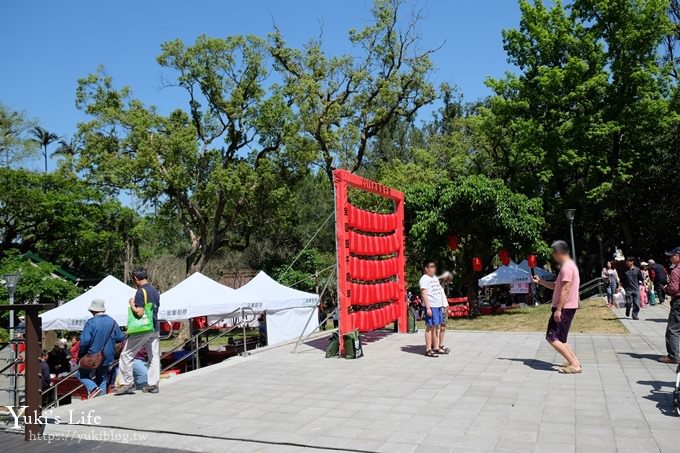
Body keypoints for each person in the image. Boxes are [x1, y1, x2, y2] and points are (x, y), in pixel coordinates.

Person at [533, 240, 582, 374]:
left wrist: (559, 309)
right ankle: (575, 362)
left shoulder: (566, 267)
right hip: (568, 306)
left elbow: (565, 289)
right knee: (560, 338)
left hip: (564, 307)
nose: (553, 257)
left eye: (554, 254)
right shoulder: (570, 266)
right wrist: (540, 282)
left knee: (552, 337)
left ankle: (574, 365)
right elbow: (557, 286)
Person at [115, 268, 161, 395]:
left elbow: (140, 312)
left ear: (136, 279)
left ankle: (126, 383)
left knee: (126, 354)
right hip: (154, 327)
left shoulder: (141, 292)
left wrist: (131, 304)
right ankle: (153, 384)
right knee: (153, 356)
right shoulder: (155, 291)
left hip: (142, 328)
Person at [77, 298, 125, 398]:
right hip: (108, 355)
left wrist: (81, 354)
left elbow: (85, 341)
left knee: (81, 374)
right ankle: (101, 401)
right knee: (102, 378)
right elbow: (120, 337)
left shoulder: (91, 322)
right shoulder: (112, 322)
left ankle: (93, 388)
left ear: (92, 310)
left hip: (92, 355)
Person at [659, 247, 680, 364]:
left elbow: (673, 289)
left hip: (678, 302)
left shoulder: (676, 270)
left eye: (673, 255)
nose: (670, 257)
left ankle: (673, 356)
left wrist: (666, 289)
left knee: (673, 330)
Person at [419, 259, 445, 357]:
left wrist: (442, 305)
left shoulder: (435, 278)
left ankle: (436, 347)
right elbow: (424, 293)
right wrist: (428, 308)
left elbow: (439, 291)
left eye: (434, 267)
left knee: (437, 326)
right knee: (430, 327)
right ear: (426, 268)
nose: (434, 269)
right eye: (431, 267)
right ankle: (428, 349)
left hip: (438, 305)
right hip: (431, 306)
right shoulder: (424, 278)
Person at [438, 271, 454, 354]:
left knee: (443, 326)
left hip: (444, 306)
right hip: (439, 307)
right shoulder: (435, 282)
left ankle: (440, 344)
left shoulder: (442, 285)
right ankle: (437, 345)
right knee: (438, 327)